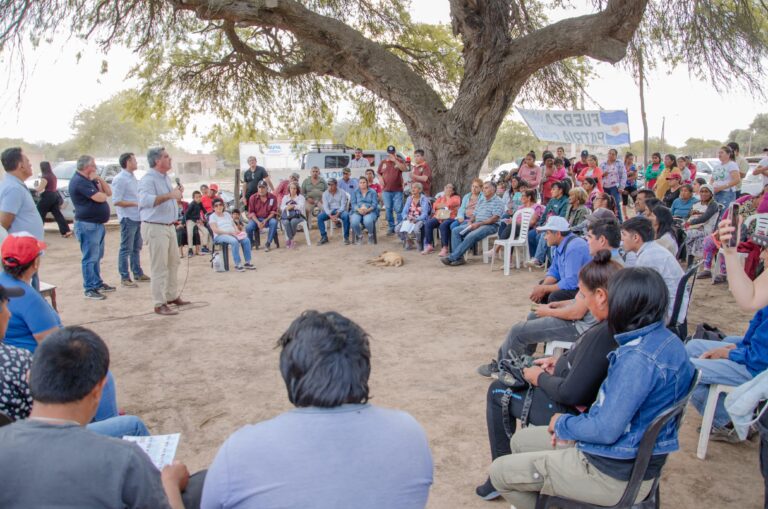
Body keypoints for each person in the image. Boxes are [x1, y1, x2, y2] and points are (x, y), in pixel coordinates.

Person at [489, 268, 695, 509]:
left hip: (610, 470)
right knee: (522, 441)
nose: (603, 301)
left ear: (624, 304)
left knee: (500, 473)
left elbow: (605, 430)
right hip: (629, 455)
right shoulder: (667, 341)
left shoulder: (636, 360)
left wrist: (563, 424)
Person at [201, 311, 433, 509]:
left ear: (289, 373)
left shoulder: (243, 449)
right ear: (363, 367)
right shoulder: (409, 431)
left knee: (195, 487)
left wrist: (169, 487)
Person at [0, 326, 203, 509]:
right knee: (199, 485)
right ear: (98, 389)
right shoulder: (123, 458)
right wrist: (170, 483)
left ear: (29, 377)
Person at [475, 250, 622, 501]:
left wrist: (537, 377)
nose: (582, 302)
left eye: (583, 296)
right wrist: (559, 363)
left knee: (498, 392)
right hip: (583, 402)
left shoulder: (602, 333)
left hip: (573, 412)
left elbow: (571, 392)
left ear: (600, 296)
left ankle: (500, 473)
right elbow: (586, 370)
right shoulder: (617, 324)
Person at [690, 218, 768, 445]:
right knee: (693, 346)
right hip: (753, 353)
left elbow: (760, 357)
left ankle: (726, 422)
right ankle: (726, 416)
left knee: (685, 369)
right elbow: (750, 299)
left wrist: (729, 353)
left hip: (757, 366)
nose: (761, 255)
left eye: (765, 249)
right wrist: (730, 253)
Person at [138, 147, 190, 316]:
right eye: (166, 157)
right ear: (157, 161)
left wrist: (176, 195)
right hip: (155, 226)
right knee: (159, 266)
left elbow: (169, 197)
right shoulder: (148, 179)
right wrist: (170, 195)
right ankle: (159, 303)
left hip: (168, 226)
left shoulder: (165, 178)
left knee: (173, 262)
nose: (170, 159)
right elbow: (145, 201)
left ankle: (171, 295)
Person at [621, 217, 685, 323]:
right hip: (674, 305)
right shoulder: (653, 249)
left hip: (668, 312)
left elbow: (642, 296)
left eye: (624, 234)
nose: (621, 239)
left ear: (636, 237)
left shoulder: (648, 257)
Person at [69, 155, 114, 300]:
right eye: (94, 166)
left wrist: (99, 179)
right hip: (87, 225)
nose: (95, 168)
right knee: (90, 257)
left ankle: (97, 282)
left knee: (97, 256)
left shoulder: (90, 180)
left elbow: (108, 192)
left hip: (96, 224)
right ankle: (89, 288)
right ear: (87, 167)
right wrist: (99, 189)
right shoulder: (79, 182)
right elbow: (100, 197)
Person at [529, 216, 591, 303]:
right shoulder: (559, 244)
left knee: (555, 296)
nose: (545, 237)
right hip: (573, 283)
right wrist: (542, 287)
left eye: (547, 233)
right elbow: (554, 271)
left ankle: (555, 315)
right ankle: (546, 313)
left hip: (586, 289)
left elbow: (571, 282)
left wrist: (545, 289)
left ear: (557, 234)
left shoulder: (574, 247)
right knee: (542, 284)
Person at [441, 181, 504, 267]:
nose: (484, 190)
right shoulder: (482, 200)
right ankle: (459, 259)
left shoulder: (498, 201)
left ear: (493, 190)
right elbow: (475, 213)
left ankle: (452, 257)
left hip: (490, 225)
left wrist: (479, 224)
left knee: (471, 235)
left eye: (486, 188)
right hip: (476, 223)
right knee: (455, 230)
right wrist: (471, 221)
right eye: (483, 188)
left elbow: (494, 218)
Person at [112, 153, 150, 288]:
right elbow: (116, 201)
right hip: (128, 218)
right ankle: (125, 277)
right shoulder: (120, 179)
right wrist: (135, 204)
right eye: (134, 160)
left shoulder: (133, 177)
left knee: (136, 247)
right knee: (126, 248)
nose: (136, 162)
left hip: (137, 217)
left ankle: (137, 272)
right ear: (128, 162)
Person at [0, 148, 45, 249]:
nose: (30, 164)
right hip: (19, 253)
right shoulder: (13, 188)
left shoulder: (15, 185)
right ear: (21, 166)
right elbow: (3, 224)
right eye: (28, 161)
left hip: (24, 253)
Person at [527, 181, 570, 269]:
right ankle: (536, 258)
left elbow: (560, 219)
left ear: (560, 190)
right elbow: (544, 215)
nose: (551, 191)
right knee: (531, 235)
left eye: (554, 189)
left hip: (555, 227)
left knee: (543, 236)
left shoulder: (565, 201)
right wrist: (540, 225)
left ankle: (540, 260)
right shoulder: (552, 200)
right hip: (546, 226)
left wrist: (544, 229)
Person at [208, 199, 255, 272]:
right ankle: (237, 264)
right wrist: (227, 232)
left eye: (220, 205)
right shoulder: (212, 216)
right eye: (216, 206)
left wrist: (236, 230)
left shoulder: (226, 214)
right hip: (220, 235)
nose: (219, 207)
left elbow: (233, 224)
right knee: (234, 241)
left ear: (223, 206)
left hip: (232, 233)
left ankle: (247, 262)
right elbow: (215, 230)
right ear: (213, 208)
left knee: (246, 240)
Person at [683, 183, 720, 265]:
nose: (703, 193)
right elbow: (688, 216)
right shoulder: (696, 204)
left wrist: (690, 223)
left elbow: (705, 218)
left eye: (706, 192)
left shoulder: (713, 205)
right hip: (694, 227)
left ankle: (689, 261)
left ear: (711, 193)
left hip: (706, 229)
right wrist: (690, 218)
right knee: (683, 234)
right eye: (702, 191)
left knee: (686, 235)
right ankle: (688, 262)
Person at [35, 161, 71, 237]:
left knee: (39, 213)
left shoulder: (45, 177)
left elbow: (40, 188)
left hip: (47, 196)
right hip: (55, 196)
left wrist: (36, 187)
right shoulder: (53, 176)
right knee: (58, 214)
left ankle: (37, 231)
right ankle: (66, 231)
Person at [377, 145, 408, 235]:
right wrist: (380, 178)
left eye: (392, 153)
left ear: (395, 153)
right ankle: (391, 227)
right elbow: (378, 173)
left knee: (398, 209)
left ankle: (399, 227)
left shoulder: (399, 161)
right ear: (387, 153)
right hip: (386, 190)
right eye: (389, 153)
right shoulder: (383, 162)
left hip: (397, 190)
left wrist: (395, 160)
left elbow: (404, 169)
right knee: (388, 209)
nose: (391, 154)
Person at [423, 183, 461, 255]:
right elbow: (435, 206)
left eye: (450, 187)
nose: (447, 189)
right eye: (446, 187)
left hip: (451, 217)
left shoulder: (456, 197)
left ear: (453, 191)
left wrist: (443, 204)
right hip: (439, 217)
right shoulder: (440, 198)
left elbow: (452, 203)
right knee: (428, 224)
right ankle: (429, 245)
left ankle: (444, 247)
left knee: (443, 225)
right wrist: (443, 205)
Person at [246, 181, 279, 251]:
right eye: (259, 188)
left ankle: (268, 243)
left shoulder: (272, 197)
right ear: (257, 188)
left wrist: (266, 220)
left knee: (274, 222)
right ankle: (252, 243)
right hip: (256, 219)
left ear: (267, 188)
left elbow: (273, 212)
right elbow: (251, 212)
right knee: (248, 227)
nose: (261, 190)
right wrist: (258, 222)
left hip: (268, 219)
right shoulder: (252, 198)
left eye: (263, 188)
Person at [396, 182, 430, 250]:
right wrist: (407, 217)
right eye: (412, 188)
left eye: (415, 187)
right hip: (409, 218)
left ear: (420, 190)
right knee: (397, 229)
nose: (413, 189)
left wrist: (416, 219)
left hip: (420, 219)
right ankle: (408, 241)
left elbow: (425, 214)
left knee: (416, 230)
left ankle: (418, 242)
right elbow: (404, 211)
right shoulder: (409, 198)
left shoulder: (424, 199)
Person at [318, 178, 350, 245]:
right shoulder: (325, 194)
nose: (330, 186)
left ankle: (346, 237)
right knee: (320, 217)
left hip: (340, 211)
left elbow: (343, 205)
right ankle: (324, 237)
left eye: (331, 185)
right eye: (328, 185)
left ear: (336, 185)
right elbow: (325, 207)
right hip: (330, 211)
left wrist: (337, 215)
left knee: (346, 215)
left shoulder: (342, 192)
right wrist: (331, 216)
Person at [350, 176, 379, 244]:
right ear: (358, 184)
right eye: (361, 183)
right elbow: (353, 204)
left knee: (367, 221)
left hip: (370, 210)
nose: (362, 184)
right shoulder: (355, 192)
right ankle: (360, 236)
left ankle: (370, 235)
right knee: (354, 222)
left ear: (367, 183)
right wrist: (359, 209)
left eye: (364, 182)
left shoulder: (372, 192)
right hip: (358, 210)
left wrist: (367, 210)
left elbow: (374, 204)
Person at [600, 149, 627, 221]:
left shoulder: (619, 163)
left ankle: (619, 222)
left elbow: (623, 175)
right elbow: (598, 175)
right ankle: (606, 221)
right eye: (609, 153)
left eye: (613, 154)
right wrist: (602, 174)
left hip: (615, 187)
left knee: (616, 204)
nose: (611, 155)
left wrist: (621, 187)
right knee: (605, 205)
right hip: (604, 187)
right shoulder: (603, 164)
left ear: (616, 155)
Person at [280, 181, 307, 249]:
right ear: (289, 189)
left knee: (293, 221)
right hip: (286, 216)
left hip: (298, 215)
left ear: (297, 189)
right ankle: (291, 239)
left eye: (295, 188)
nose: (293, 190)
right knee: (286, 222)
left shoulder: (301, 197)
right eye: (291, 188)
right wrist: (286, 207)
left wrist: (293, 206)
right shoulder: (285, 197)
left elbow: (301, 206)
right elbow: (282, 207)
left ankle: (290, 239)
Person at [184, 190, 210, 256]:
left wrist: (207, 216)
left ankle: (204, 246)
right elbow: (187, 214)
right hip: (190, 220)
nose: (198, 198)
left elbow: (204, 211)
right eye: (197, 197)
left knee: (206, 231)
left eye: (199, 197)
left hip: (198, 220)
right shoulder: (192, 204)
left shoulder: (200, 203)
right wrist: (183, 223)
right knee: (190, 234)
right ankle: (190, 249)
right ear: (193, 198)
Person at [622, 152, 638, 219]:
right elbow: (620, 176)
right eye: (629, 159)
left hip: (632, 186)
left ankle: (637, 214)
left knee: (636, 201)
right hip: (624, 186)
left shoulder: (633, 166)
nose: (631, 160)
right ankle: (625, 216)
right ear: (626, 158)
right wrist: (629, 174)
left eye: (632, 159)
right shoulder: (622, 166)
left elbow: (636, 176)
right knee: (624, 202)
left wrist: (627, 177)